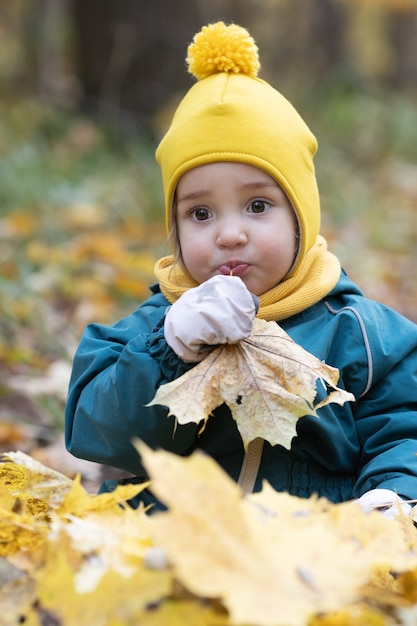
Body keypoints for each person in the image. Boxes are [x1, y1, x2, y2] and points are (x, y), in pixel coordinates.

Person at [65, 22, 417, 517]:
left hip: (316, 549)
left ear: (301, 216)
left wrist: (393, 494)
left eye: (257, 205)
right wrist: (170, 349)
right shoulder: (152, 327)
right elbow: (96, 433)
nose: (229, 234)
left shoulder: (360, 334)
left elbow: (405, 425)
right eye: (200, 214)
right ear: (175, 228)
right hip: (181, 548)